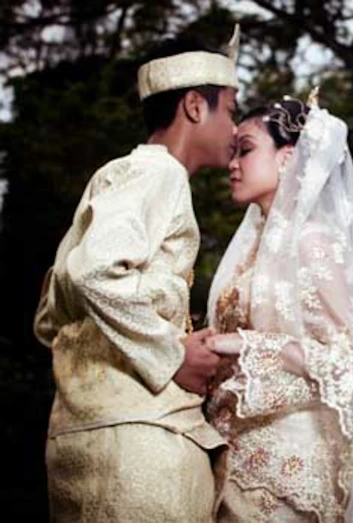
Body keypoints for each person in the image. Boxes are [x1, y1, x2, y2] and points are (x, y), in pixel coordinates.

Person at [33, 25, 240, 521]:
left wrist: (167, 316)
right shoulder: (159, 173)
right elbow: (93, 274)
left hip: (85, 438)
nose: (236, 129)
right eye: (231, 110)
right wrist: (172, 354)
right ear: (195, 106)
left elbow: (49, 314)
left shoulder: (116, 174)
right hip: (142, 445)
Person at [205, 89, 353, 522]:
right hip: (231, 461)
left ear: (288, 158)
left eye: (246, 151)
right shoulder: (252, 247)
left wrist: (245, 346)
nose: (232, 164)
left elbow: (347, 365)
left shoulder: (313, 243)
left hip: (289, 472)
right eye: (232, 153)